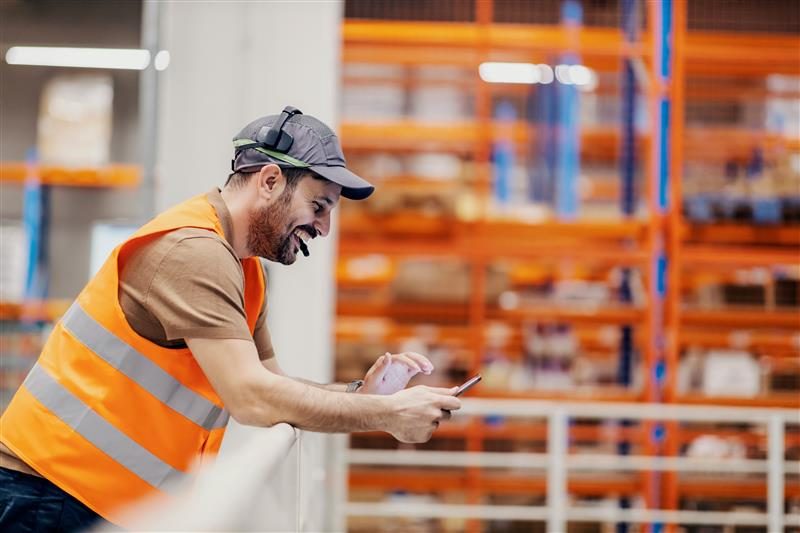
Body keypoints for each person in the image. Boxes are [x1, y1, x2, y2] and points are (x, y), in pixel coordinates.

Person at [0, 106, 461, 532]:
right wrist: (385, 415)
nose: (324, 228)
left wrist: (362, 394)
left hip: (89, 500)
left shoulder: (243, 268)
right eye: (318, 207)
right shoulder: (193, 253)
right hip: (47, 492)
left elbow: (270, 384)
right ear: (269, 180)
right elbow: (252, 399)